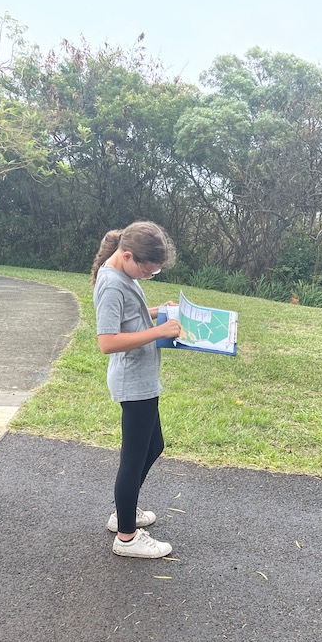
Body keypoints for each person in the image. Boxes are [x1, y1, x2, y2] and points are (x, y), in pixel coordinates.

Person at [91, 221, 182, 558]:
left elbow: (132, 317)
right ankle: (127, 537)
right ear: (128, 256)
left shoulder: (123, 275)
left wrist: (159, 312)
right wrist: (158, 332)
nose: (148, 276)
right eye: (148, 271)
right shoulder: (112, 284)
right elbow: (107, 341)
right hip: (133, 383)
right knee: (132, 461)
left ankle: (123, 513)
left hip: (142, 379)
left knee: (154, 446)